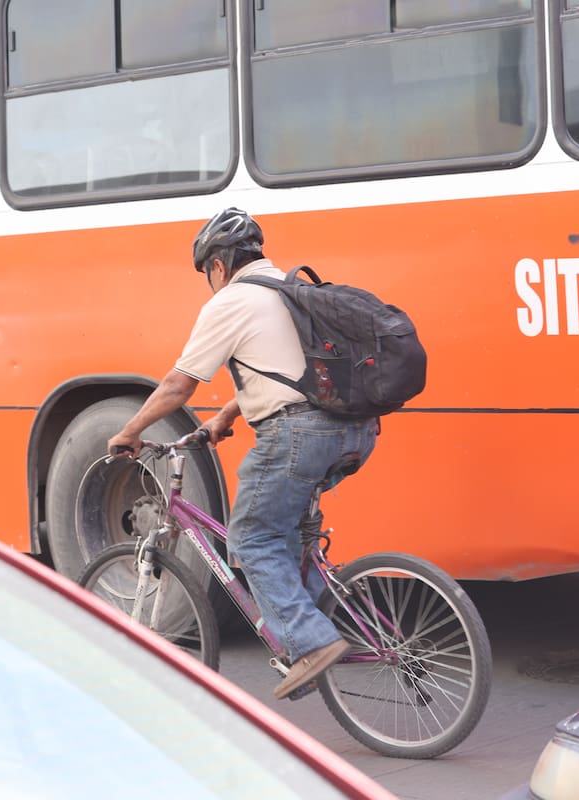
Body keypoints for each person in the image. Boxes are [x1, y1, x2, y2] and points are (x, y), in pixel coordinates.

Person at [106, 207, 379, 699]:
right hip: (356, 430)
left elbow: (177, 385)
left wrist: (130, 431)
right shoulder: (293, 290)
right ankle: (321, 637)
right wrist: (228, 417)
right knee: (291, 540)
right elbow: (287, 371)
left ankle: (311, 644)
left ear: (217, 266)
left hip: (297, 436)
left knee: (250, 539)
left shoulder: (232, 301)